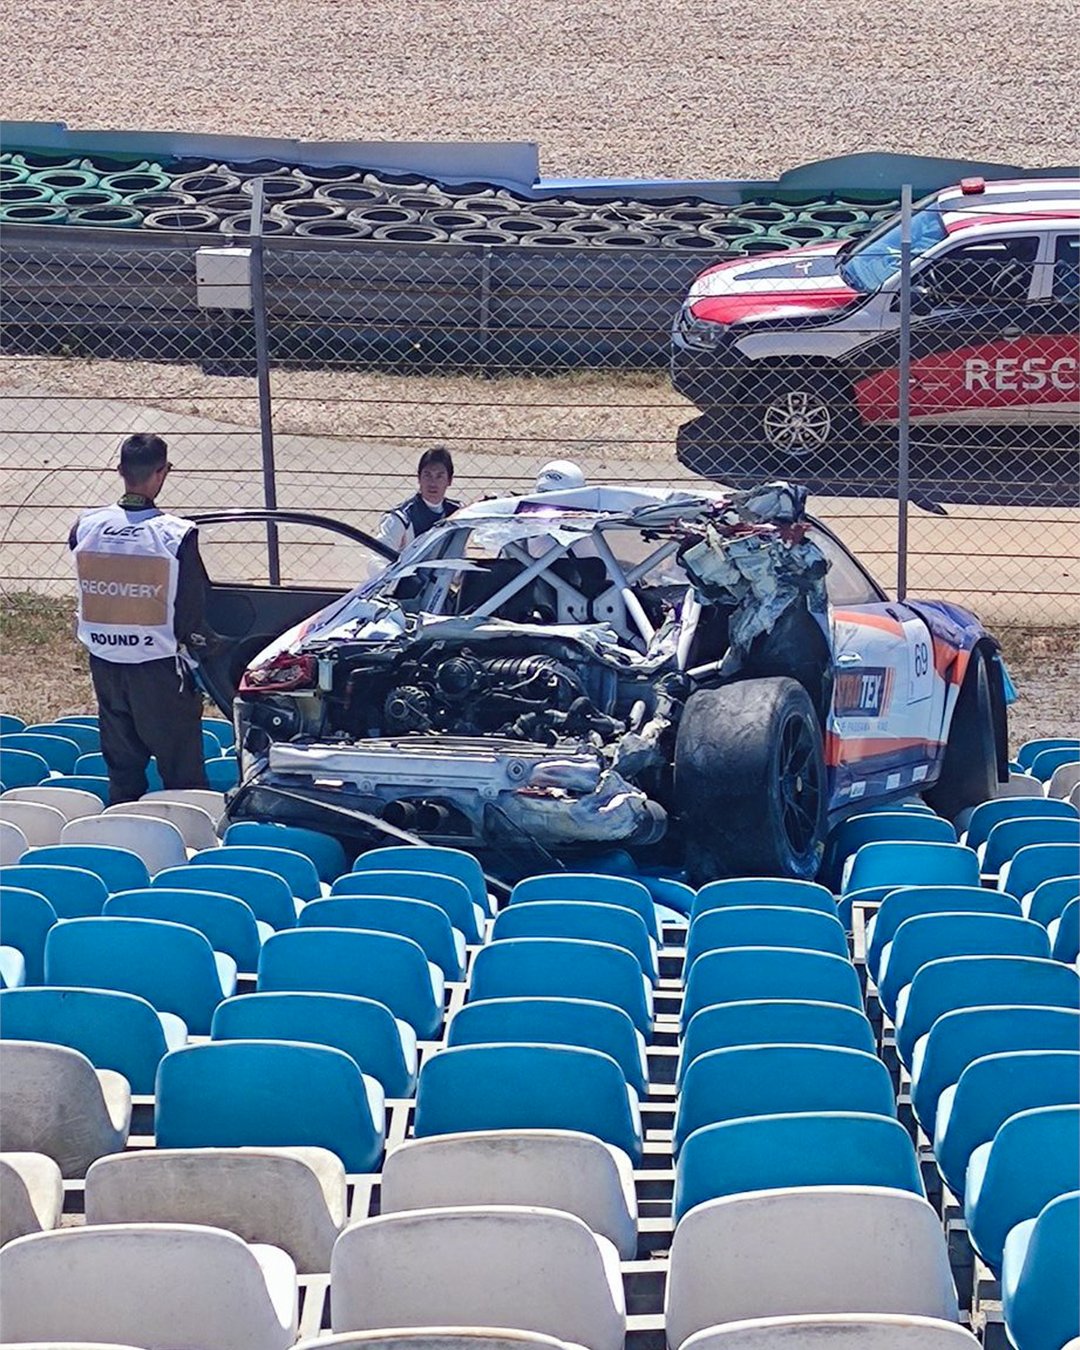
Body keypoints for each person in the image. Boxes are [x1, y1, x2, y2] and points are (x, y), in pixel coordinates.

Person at [69, 434, 211, 805]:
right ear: (162, 472)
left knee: (122, 773)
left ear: (120, 471)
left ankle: (124, 829)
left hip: (105, 665)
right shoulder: (175, 535)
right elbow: (193, 609)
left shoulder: (86, 526)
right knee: (183, 775)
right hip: (159, 670)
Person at [377, 446, 461, 552]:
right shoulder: (401, 518)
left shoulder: (458, 513)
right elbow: (378, 558)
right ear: (419, 478)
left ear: (449, 480)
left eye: (439, 476)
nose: (432, 483)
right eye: (427, 475)